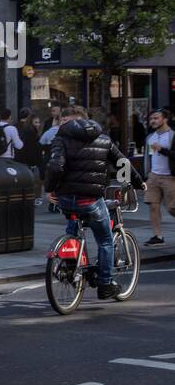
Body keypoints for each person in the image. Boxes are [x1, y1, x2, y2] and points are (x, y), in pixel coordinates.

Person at [43, 106, 137, 299]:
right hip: (91, 199)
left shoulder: (61, 139)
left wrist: (49, 189)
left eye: (64, 119)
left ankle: (70, 264)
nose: (62, 123)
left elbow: (55, 166)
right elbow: (122, 163)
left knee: (73, 229)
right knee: (105, 240)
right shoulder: (103, 139)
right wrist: (135, 182)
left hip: (67, 199)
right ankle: (104, 284)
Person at [142, 107, 174, 245]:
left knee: (173, 208)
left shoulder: (173, 135)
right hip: (153, 176)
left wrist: (163, 150)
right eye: (151, 119)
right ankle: (158, 236)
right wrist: (146, 174)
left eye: (156, 118)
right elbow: (148, 157)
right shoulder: (150, 137)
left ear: (165, 119)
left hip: (170, 177)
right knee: (153, 206)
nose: (153, 121)